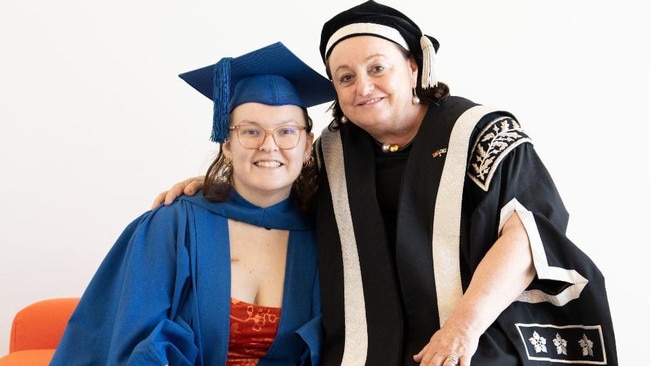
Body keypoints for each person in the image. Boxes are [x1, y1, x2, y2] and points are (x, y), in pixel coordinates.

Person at [153, 2, 619, 365]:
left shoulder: (480, 132)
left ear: (414, 66)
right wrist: (218, 182)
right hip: (368, 349)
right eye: (346, 77)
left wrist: (461, 329)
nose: (363, 87)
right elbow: (283, 195)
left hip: (478, 340)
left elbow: (528, 235)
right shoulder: (335, 151)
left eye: (378, 68)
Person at [50, 42, 336, 365]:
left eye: (286, 131)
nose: (269, 146)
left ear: (307, 145)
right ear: (226, 144)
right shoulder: (176, 224)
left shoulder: (327, 236)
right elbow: (138, 342)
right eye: (251, 131)